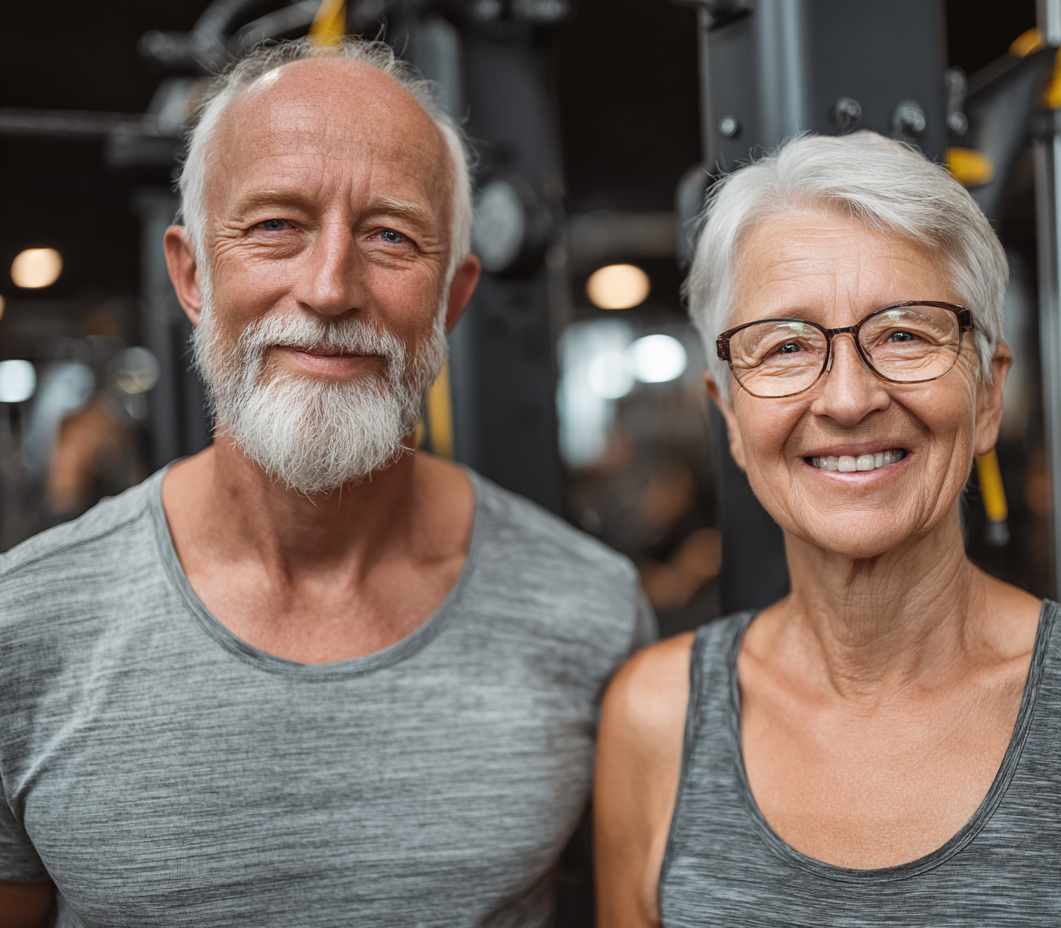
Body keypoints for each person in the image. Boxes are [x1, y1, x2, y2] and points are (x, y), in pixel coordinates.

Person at [0, 38, 653, 927]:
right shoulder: (27, 625)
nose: (330, 286)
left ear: (453, 299)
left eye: (390, 235)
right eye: (276, 225)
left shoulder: (591, 613)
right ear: (192, 274)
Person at [594, 132, 1061, 927]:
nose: (849, 399)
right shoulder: (656, 717)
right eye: (787, 347)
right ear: (728, 413)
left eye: (904, 333)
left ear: (989, 395)